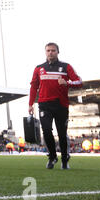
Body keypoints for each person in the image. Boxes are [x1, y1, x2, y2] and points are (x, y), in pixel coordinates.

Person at [28, 42, 82, 170]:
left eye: (53, 50)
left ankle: (64, 159)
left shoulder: (66, 67)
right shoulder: (38, 68)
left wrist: (67, 83)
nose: (50, 53)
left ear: (58, 52)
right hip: (44, 105)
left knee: (62, 134)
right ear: (45, 52)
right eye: (48, 50)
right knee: (46, 131)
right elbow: (33, 87)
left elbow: (79, 82)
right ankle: (52, 157)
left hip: (61, 105)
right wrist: (30, 104)